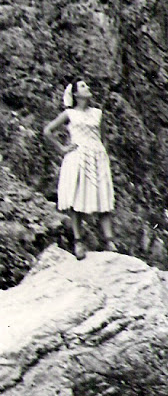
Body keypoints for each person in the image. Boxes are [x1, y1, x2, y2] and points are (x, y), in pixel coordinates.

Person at [43, 79, 117, 260]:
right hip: (77, 157)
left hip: (97, 157)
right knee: (77, 197)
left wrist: (102, 152)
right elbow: (48, 131)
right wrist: (62, 148)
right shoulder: (69, 114)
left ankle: (109, 241)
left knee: (102, 195)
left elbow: (104, 136)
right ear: (75, 94)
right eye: (83, 86)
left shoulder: (97, 113)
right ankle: (78, 241)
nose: (88, 88)